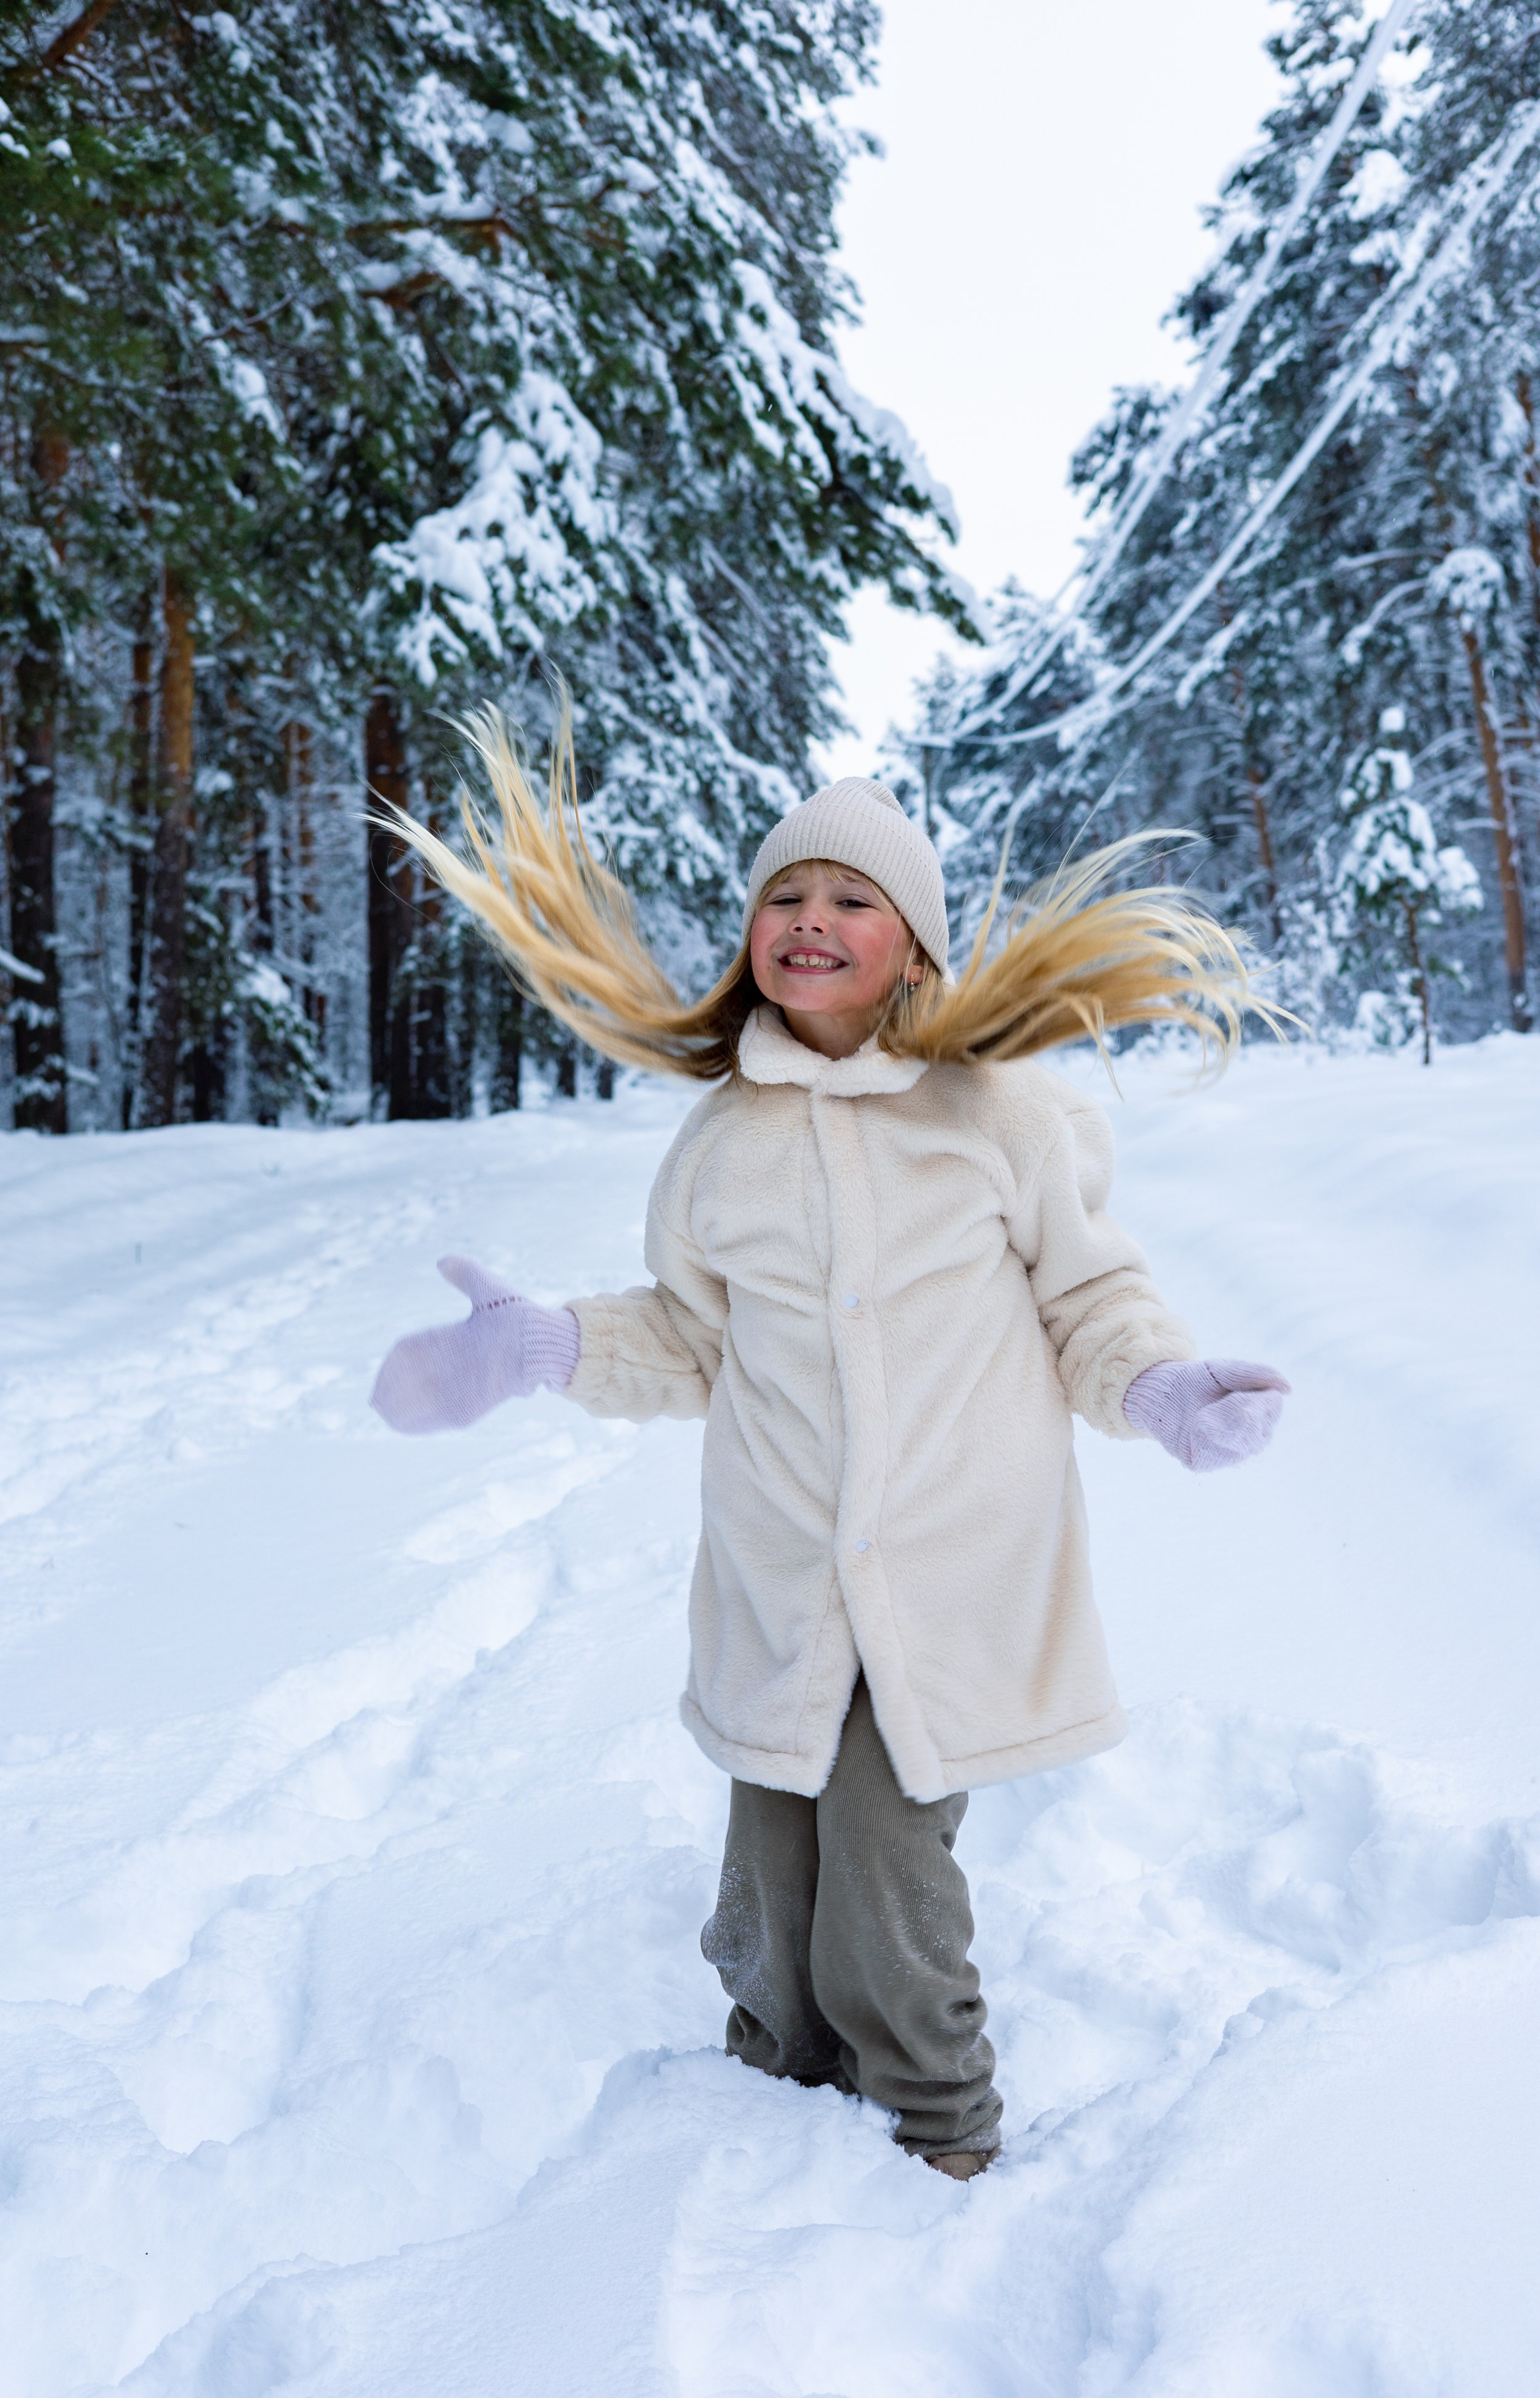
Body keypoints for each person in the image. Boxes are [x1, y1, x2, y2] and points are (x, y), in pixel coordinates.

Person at [370, 707, 1289, 2180]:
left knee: (884, 1861)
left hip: (949, 1567)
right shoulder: (721, 1144)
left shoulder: (996, 1118)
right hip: (784, 1563)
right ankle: (772, 2089)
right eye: (783, 898)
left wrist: (1164, 1392)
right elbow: (688, 1335)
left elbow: (1088, 1297)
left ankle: (939, 2135)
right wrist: (537, 1345)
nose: (810, 921)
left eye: (851, 899)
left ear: (914, 946)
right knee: (772, 1863)